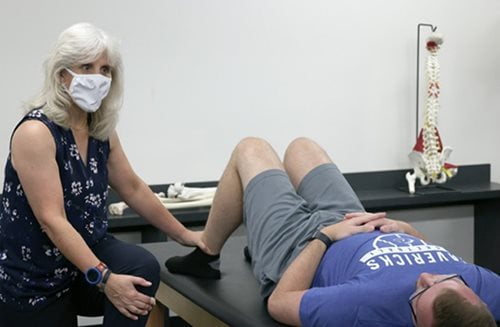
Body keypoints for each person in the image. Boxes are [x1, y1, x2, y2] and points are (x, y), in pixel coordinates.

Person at [165, 137, 500, 326]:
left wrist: (324, 237)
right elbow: (435, 264)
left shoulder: (369, 305)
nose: (427, 275)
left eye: (420, 291)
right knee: (302, 147)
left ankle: (207, 250)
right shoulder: (484, 289)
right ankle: (260, 237)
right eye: (444, 280)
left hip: (299, 245)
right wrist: (409, 231)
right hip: (358, 221)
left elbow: (280, 303)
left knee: (251, 149)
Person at [0, 23, 206, 327]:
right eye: (86, 67)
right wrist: (105, 277)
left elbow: (133, 188)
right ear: (61, 74)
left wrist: (185, 235)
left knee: (141, 267)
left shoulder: (101, 131)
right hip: (35, 281)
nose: (98, 77)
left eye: (105, 69)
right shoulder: (35, 133)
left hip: (81, 267)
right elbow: (51, 220)